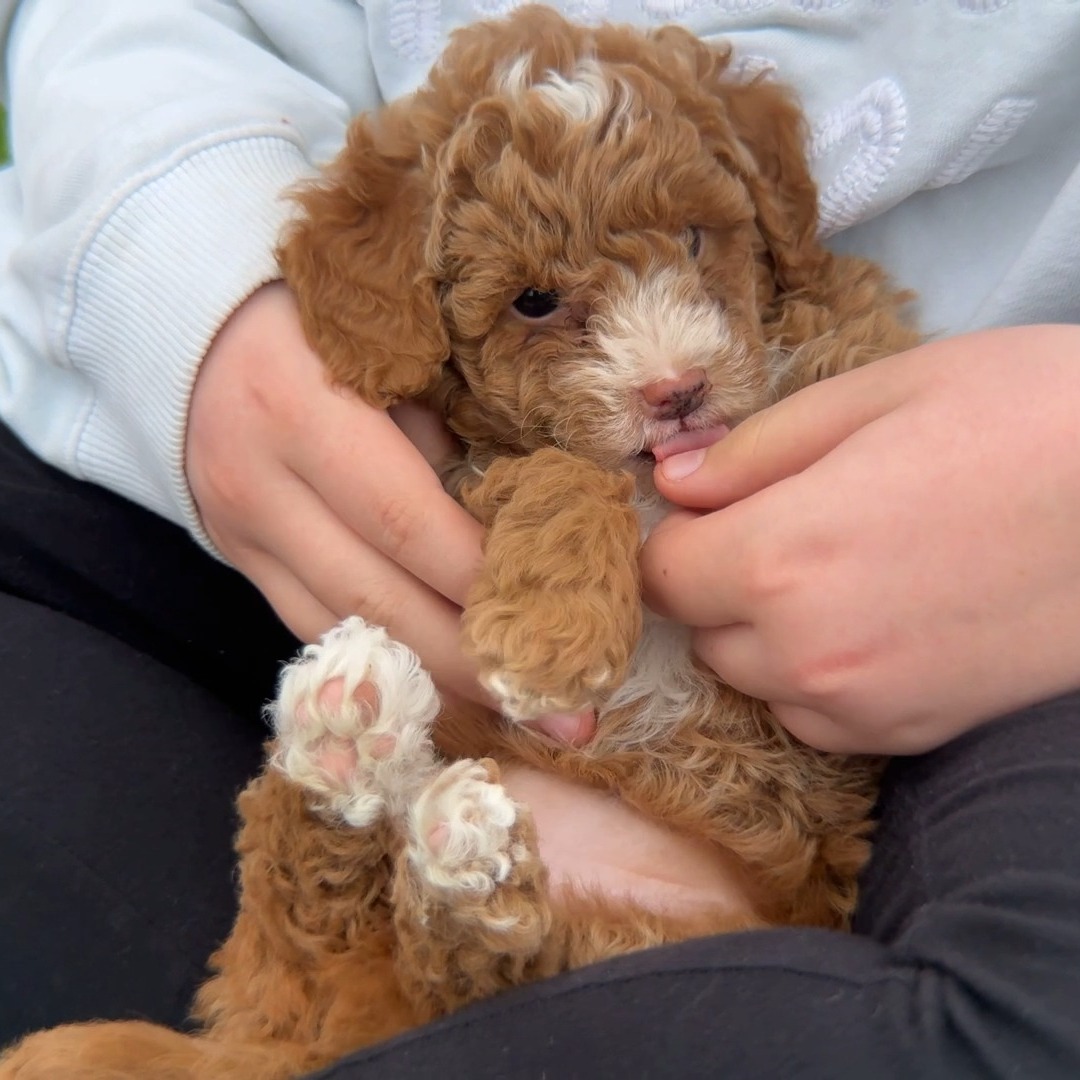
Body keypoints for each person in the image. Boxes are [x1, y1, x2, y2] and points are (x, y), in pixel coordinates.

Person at [1, 1, 1079, 1075]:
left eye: (699, 240)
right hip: (208, 443)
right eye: (534, 302)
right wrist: (191, 280)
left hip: (1008, 573)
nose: (665, 369)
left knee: (1006, 1036)